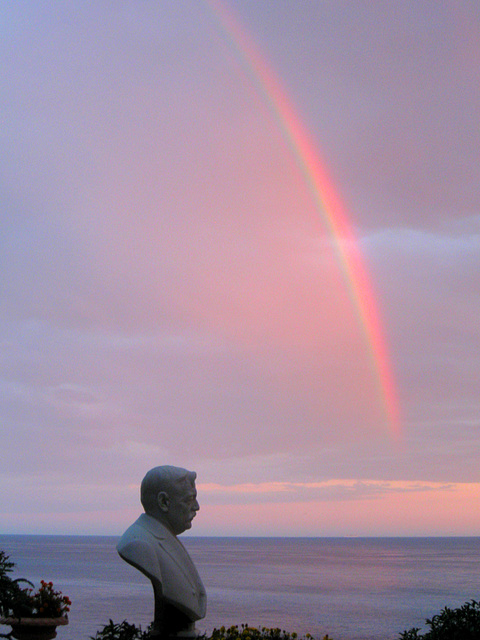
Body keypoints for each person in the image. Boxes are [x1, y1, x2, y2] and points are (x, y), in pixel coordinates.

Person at [117, 466, 207, 639]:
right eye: (189, 499)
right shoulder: (139, 544)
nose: (197, 507)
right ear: (164, 502)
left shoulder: (165, 538)